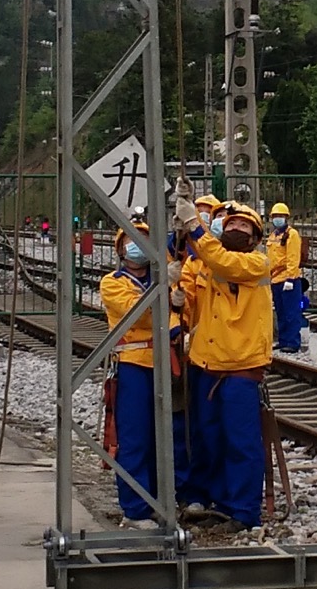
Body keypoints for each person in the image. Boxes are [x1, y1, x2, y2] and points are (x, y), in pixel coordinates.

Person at [184, 201, 275, 528]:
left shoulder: (255, 263)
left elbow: (219, 259)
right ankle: (222, 504)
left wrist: (195, 226)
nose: (235, 229)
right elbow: (192, 252)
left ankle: (244, 510)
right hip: (210, 365)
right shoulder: (210, 261)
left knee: (240, 443)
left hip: (239, 368)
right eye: (230, 225)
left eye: (243, 227)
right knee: (213, 440)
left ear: (255, 237)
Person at [99, 217, 187, 522]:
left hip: (166, 363)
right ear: (121, 249)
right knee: (135, 439)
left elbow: (175, 319)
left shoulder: (160, 279)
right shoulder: (113, 283)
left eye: (143, 239)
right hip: (133, 366)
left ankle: (161, 501)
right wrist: (167, 297)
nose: (136, 245)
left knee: (165, 438)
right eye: (130, 240)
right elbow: (140, 314)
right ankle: (135, 509)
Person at [267, 202, 309, 354]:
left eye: (281, 216)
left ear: (286, 217)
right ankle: (284, 340)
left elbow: (293, 258)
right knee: (281, 312)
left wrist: (291, 279)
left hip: (288, 279)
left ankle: (292, 342)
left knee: (291, 312)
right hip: (275, 279)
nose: (278, 218)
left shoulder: (292, 235)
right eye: (275, 216)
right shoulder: (273, 236)